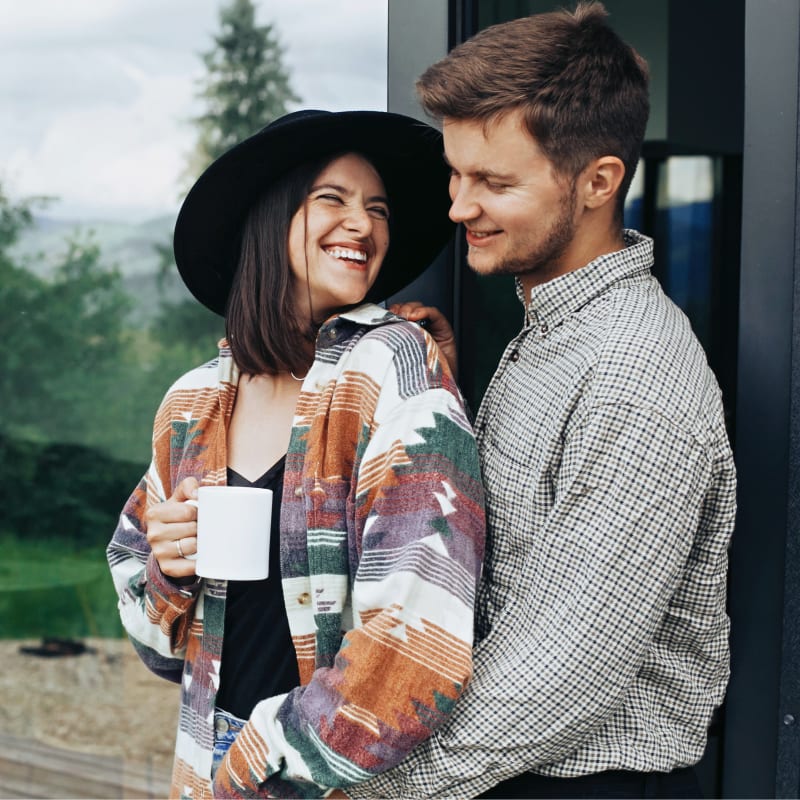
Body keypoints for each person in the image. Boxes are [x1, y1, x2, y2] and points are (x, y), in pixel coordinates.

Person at [349, 4, 737, 799]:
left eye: (493, 182)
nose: (459, 206)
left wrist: (364, 788)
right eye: (456, 174)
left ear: (598, 182)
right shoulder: (552, 331)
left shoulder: (636, 373)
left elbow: (559, 675)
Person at [106, 109, 486, 799]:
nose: (364, 224)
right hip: (204, 758)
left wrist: (257, 764)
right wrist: (167, 568)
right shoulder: (191, 407)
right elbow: (156, 650)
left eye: (378, 208)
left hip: (328, 775)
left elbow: (415, 638)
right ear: (271, 220)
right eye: (332, 199)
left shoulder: (391, 370)